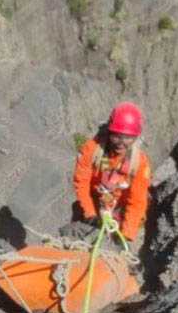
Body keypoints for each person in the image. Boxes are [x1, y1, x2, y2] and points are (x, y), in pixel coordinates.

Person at [61, 102, 152, 245]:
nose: (121, 143)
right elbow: (82, 183)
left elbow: (137, 201)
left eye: (127, 138)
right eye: (117, 136)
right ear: (110, 132)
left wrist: (126, 235)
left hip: (119, 211)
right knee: (76, 239)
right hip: (93, 203)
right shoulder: (91, 150)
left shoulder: (139, 163)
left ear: (135, 138)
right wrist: (90, 214)